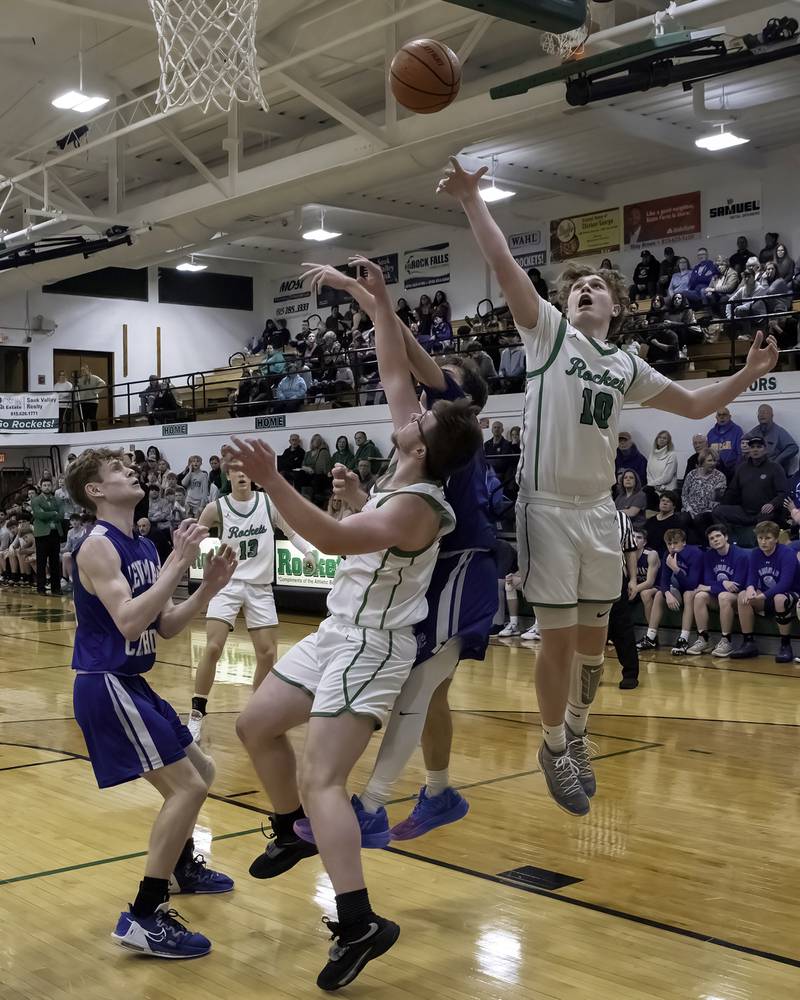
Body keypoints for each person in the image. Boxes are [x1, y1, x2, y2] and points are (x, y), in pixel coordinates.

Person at [437, 155, 778, 816]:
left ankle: (579, 734)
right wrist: (474, 202)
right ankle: (553, 746)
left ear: (618, 305)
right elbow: (505, 262)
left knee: (592, 657)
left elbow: (696, 405)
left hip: (600, 512)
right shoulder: (547, 335)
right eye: (578, 285)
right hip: (548, 511)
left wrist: (749, 372)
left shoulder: (625, 363)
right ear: (566, 303)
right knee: (560, 642)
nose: (586, 289)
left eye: (598, 285)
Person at [226, 257, 482, 991]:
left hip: (373, 647)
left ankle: (358, 917)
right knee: (255, 725)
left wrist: (277, 481)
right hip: (338, 632)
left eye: (422, 419)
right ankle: (287, 833)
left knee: (324, 779)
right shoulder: (401, 473)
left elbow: (338, 542)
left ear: (426, 446)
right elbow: (394, 366)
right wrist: (368, 299)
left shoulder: (419, 504)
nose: (409, 413)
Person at [296, 261, 498, 848]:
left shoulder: (450, 414)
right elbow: (390, 369)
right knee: (429, 690)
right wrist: (367, 296)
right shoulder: (420, 436)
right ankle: (437, 791)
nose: (421, 389)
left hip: (461, 567)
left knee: (417, 686)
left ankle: (372, 804)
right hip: (430, 566)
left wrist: (367, 295)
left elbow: (399, 359)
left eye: (438, 377)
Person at [64, 448, 237, 958]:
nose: (130, 471)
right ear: (95, 491)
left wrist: (205, 588)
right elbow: (129, 622)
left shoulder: (139, 544)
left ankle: (181, 867)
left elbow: (163, 626)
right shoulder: (95, 545)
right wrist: (180, 560)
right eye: (117, 470)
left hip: (132, 682)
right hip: (105, 683)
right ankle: (143, 915)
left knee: (201, 774)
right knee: (185, 788)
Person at [187, 470, 316, 743]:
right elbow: (194, 541)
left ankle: (257, 712)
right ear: (229, 475)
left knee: (268, 654)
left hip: (260, 587)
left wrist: (308, 551)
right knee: (212, 647)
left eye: (247, 470)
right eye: (236, 470)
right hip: (227, 584)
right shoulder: (216, 508)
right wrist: (188, 552)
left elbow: (291, 532)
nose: (243, 475)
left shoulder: (268, 503)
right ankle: (196, 715)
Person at [731, 521, 799, 662]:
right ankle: (748, 642)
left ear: (775, 539)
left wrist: (762, 596)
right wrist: (750, 588)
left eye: (767, 538)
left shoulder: (787, 554)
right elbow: (752, 577)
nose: (763, 542)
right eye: (760, 538)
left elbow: (785, 584)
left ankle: (785, 645)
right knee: (743, 595)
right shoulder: (756, 553)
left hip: (792, 594)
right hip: (767, 595)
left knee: (779, 598)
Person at [637, 528, 703, 655]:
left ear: (683, 542)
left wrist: (675, 568)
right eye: (669, 544)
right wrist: (667, 594)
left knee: (688, 595)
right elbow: (664, 581)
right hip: (677, 589)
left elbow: (692, 583)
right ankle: (651, 637)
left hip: (694, 589)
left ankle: (683, 639)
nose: (672, 547)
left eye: (675, 543)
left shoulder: (695, 553)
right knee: (658, 594)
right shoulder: (667, 554)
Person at [687, 524, 749, 657]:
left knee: (724, 596)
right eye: (711, 538)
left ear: (726, 537)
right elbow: (708, 580)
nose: (715, 540)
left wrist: (712, 587)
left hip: (740, 598)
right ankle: (703, 639)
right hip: (719, 593)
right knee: (700, 596)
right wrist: (724, 582)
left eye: (718, 536)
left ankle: (726, 641)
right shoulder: (708, 556)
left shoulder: (740, 555)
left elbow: (737, 585)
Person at [713, 435, 788, 528]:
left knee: (767, 515)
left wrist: (772, 504)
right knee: (718, 511)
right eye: (752, 447)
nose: (755, 450)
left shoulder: (775, 468)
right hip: (744, 511)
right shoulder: (741, 468)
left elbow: (783, 493)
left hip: (765, 512)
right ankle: (728, 540)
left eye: (759, 447)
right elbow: (732, 492)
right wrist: (720, 500)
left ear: (765, 450)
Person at [607, 510, 640, 690]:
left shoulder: (621, 517)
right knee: (589, 628)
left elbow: (629, 549)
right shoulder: (578, 513)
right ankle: (591, 670)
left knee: (622, 626)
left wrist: (633, 579)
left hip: (615, 577)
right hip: (585, 578)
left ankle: (630, 672)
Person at [681, 448, 727, 541]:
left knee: (700, 519)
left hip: (708, 511)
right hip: (690, 509)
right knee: (682, 519)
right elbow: (684, 495)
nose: (713, 463)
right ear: (702, 461)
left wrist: (717, 492)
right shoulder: (692, 474)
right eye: (710, 460)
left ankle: (704, 546)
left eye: (715, 461)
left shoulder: (720, 477)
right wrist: (689, 509)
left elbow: (717, 501)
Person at [31, 478, 64, 596]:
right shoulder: (35, 500)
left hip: (55, 533)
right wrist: (53, 512)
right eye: (44, 485)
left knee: (54, 561)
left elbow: (61, 515)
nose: (47, 487)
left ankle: (56, 588)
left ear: (52, 486)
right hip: (42, 534)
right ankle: (41, 588)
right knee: (41, 562)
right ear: (40, 486)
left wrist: (49, 513)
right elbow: (39, 515)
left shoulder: (58, 499)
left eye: (49, 485)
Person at [746, 404, 798, 474]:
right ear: (758, 416)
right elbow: (744, 445)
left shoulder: (779, 431)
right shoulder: (753, 432)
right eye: (760, 413)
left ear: (772, 415)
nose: (762, 415)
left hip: (774, 471)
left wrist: (777, 461)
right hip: (756, 470)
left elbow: (793, 448)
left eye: (765, 412)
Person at [707, 407, 743, 479]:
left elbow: (740, 453)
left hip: (732, 471)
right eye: (719, 415)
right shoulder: (711, 433)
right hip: (714, 472)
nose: (722, 417)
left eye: (724, 414)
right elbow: (707, 453)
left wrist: (736, 470)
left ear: (729, 417)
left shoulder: (737, 431)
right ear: (716, 417)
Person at [77, 364, 106, 431]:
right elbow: (75, 389)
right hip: (82, 401)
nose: (83, 371)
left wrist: (95, 391)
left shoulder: (94, 377)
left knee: (92, 418)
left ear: (88, 369)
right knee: (83, 419)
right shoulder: (80, 379)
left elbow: (103, 383)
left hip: (92, 402)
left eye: (84, 370)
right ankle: (82, 433)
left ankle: (94, 432)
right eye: (82, 370)